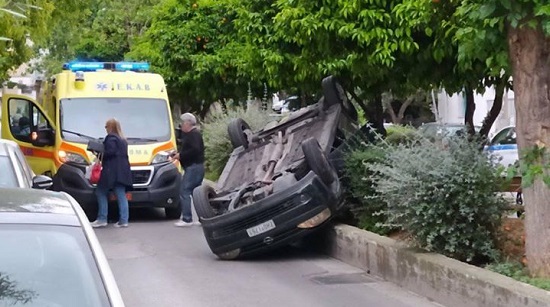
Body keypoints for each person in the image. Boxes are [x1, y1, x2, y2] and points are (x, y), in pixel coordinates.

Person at [90, 118, 133, 228]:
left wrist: (98, 152)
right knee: (121, 195)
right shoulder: (123, 139)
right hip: (123, 171)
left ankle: (102, 218)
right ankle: (124, 220)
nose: (105, 129)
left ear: (110, 127)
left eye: (106, 127)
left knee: (100, 192)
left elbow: (110, 153)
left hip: (112, 171)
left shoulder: (111, 138)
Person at [171, 113, 205, 227]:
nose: (181, 126)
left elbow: (194, 150)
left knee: (184, 191)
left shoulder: (192, 135)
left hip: (193, 167)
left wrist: (181, 156)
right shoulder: (195, 134)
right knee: (196, 193)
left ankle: (187, 218)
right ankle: (202, 218)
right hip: (197, 166)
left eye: (182, 123)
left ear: (187, 123)